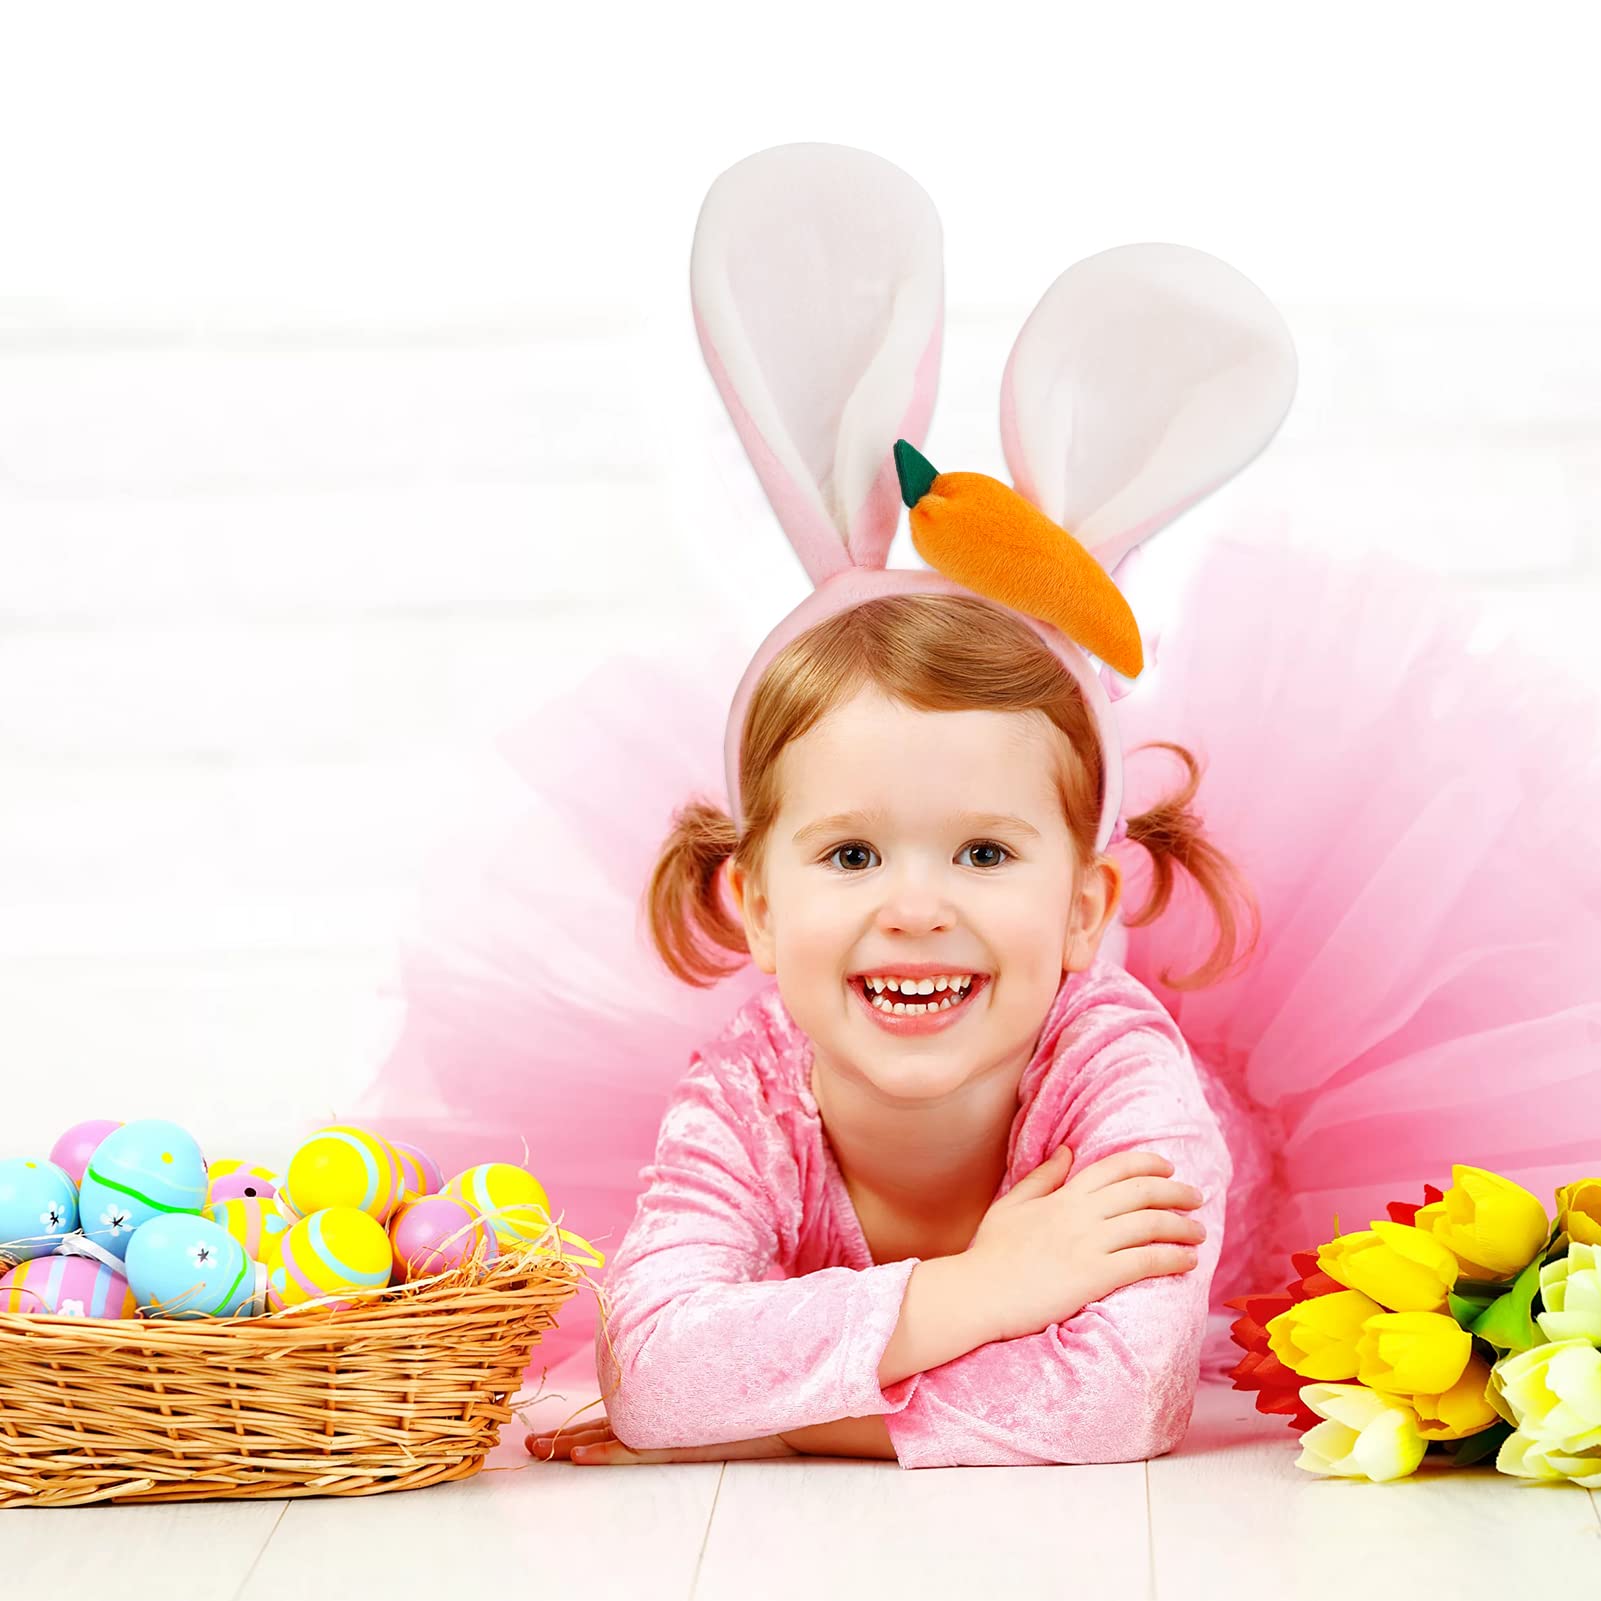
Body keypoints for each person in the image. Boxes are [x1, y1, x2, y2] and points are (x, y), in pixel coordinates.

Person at [356, 142, 1601, 1468]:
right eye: (847, 851)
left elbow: (1117, 1403)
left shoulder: (1123, 1085)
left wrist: (778, 1411)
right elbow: (653, 1372)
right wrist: (983, 1290)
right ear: (757, 904)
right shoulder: (749, 1088)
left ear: (1081, 904)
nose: (913, 902)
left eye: (984, 850)